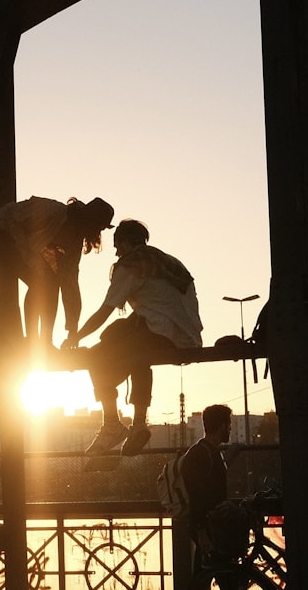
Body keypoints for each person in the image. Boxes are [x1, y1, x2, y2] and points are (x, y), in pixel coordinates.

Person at [64, 219, 202, 456]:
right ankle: (138, 424)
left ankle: (112, 425)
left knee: (96, 356)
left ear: (126, 243)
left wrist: (75, 336)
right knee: (136, 353)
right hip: (187, 337)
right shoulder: (169, 261)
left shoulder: (132, 265)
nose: (116, 253)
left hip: (160, 331)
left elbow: (104, 311)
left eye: (117, 247)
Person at [0, 196, 114, 344]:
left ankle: (45, 340)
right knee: (42, 282)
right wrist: (34, 262)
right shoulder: (52, 212)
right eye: (99, 227)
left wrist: (73, 329)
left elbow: (70, 283)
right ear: (89, 222)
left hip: (22, 246)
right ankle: (34, 340)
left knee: (51, 282)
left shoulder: (74, 244)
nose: (98, 232)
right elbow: (17, 224)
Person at [180, 404, 236, 588]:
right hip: (209, 527)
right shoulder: (200, 454)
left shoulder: (207, 452)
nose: (230, 429)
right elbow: (196, 496)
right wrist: (202, 533)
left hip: (213, 526)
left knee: (205, 576)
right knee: (224, 576)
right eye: (229, 425)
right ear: (221, 426)